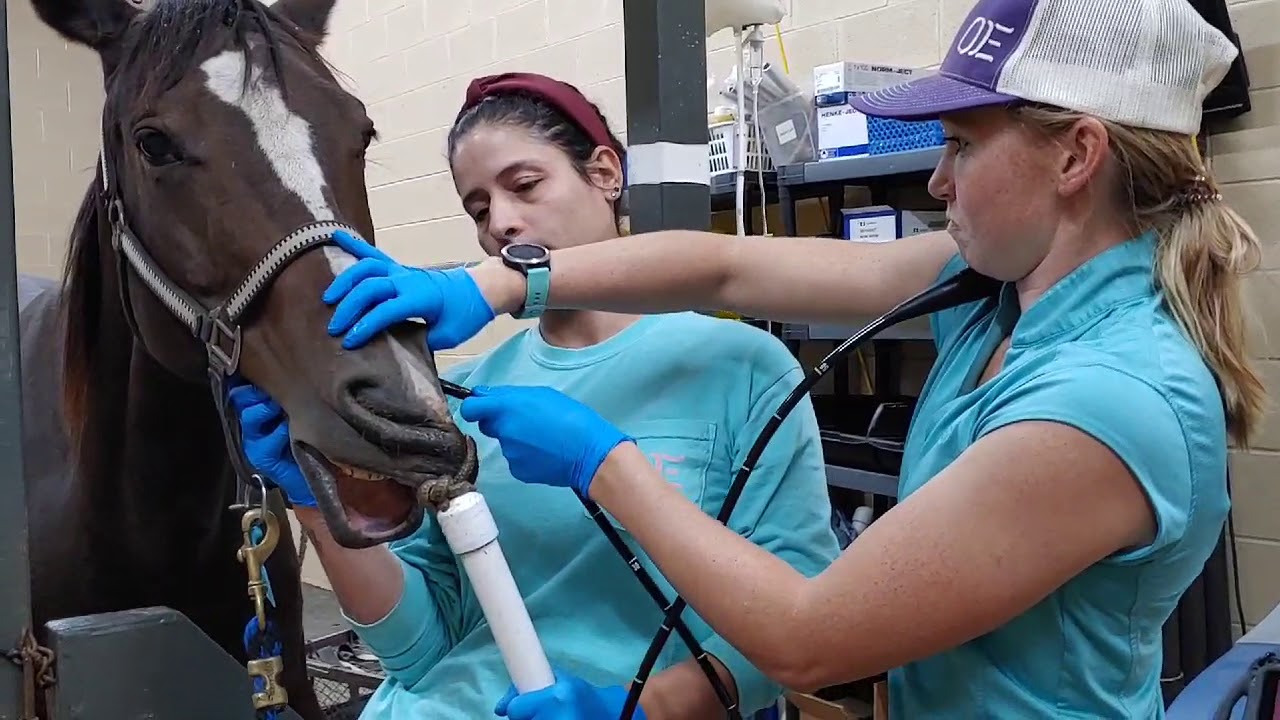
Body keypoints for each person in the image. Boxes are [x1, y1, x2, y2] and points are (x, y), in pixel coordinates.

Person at [317, 0, 1269, 717]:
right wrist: (498, 286)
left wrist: (604, 465)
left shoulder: (1111, 399)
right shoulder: (995, 287)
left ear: (1076, 157)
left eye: (960, 144)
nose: (938, 178)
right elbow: (727, 265)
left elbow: (809, 643)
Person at [231, 72, 842, 719]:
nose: (501, 223)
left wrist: (642, 710)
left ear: (605, 173)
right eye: (478, 209)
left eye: (524, 186)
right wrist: (317, 505)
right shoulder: (467, 393)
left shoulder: (740, 368)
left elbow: (795, 630)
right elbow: (418, 653)